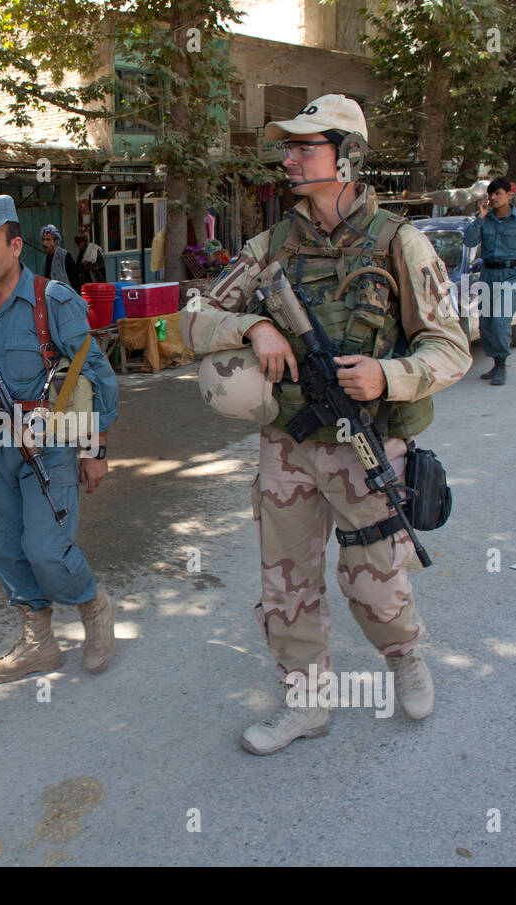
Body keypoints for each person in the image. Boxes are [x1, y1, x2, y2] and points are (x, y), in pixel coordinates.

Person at [181, 93, 471, 755]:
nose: (289, 157)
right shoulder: (270, 245)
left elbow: (450, 346)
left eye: (305, 146)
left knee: (373, 573)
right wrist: (252, 324)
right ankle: (305, 704)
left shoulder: (401, 242)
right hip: (287, 444)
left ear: (348, 157)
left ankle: (404, 658)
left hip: (364, 440)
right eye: (288, 146)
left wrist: (387, 378)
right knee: (286, 580)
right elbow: (191, 323)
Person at [0, 196, 120, 683]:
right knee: (5, 546)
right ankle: (39, 643)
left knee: (46, 548)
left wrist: (94, 449)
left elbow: (93, 373)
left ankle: (94, 607)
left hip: (51, 442)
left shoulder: (53, 301)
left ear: (15, 245)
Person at [462, 178, 516, 385]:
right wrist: (480, 217)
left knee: (500, 321)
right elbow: (469, 241)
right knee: (487, 324)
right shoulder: (485, 219)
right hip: (488, 274)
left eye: (498, 193)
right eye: (491, 194)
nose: (493, 198)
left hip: (510, 274)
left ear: (509, 195)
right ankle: (495, 363)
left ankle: (501, 366)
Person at [40, 225, 82, 292]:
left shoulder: (64, 256)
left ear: (56, 240)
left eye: (48, 240)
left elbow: (75, 281)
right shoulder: (46, 258)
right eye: (43, 239)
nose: (45, 243)